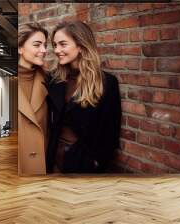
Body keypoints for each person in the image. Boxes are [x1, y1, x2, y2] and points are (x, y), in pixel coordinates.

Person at [46, 21, 121, 173]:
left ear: (80, 46)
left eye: (62, 44)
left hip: (83, 163)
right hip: (53, 158)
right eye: (55, 45)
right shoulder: (54, 79)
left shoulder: (107, 83)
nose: (57, 50)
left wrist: (97, 161)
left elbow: (111, 131)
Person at [18, 23, 49, 175]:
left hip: (42, 166)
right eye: (37, 45)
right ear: (20, 48)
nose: (44, 50)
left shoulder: (49, 82)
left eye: (45, 45)